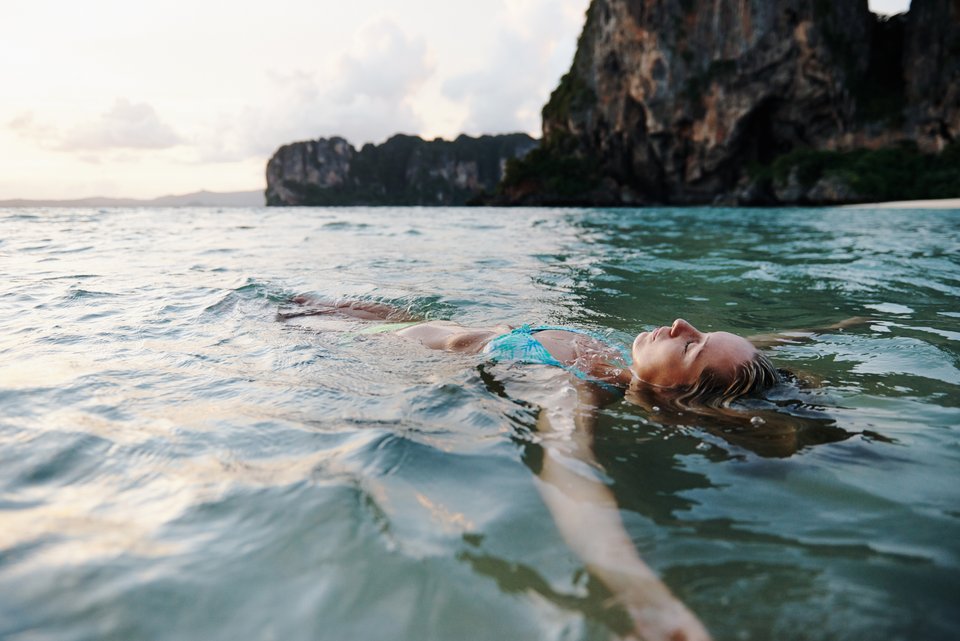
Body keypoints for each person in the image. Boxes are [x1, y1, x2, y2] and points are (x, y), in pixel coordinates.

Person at [279, 296, 867, 641]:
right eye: (701, 332)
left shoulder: (572, 391)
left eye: (690, 348)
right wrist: (828, 328)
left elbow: (569, 470)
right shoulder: (623, 368)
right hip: (393, 317)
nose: (683, 326)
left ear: (679, 398)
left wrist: (644, 596)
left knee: (276, 313)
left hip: (378, 347)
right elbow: (752, 350)